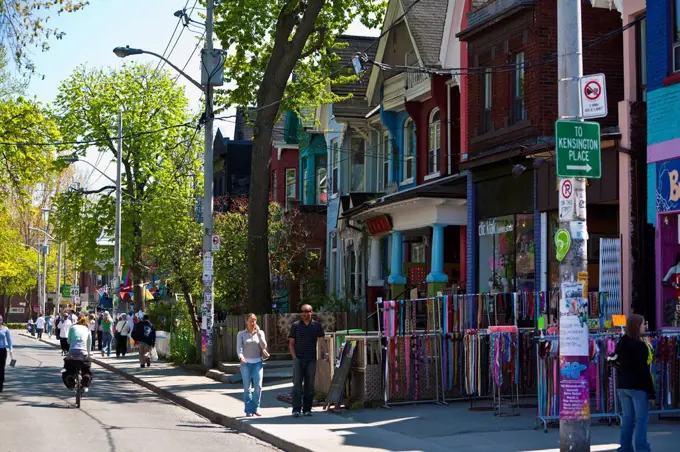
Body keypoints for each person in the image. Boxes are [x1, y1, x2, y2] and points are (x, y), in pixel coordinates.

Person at [615, 314, 654, 452]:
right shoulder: (640, 346)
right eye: (643, 324)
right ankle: (641, 448)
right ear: (637, 326)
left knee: (627, 420)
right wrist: (651, 391)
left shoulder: (621, 343)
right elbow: (643, 371)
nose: (645, 326)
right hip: (637, 387)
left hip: (623, 386)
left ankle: (625, 447)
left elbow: (615, 362)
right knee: (641, 420)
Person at [288, 304, 328, 417]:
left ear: (312, 312)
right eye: (303, 311)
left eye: (308, 311)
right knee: (297, 385)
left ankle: (307, 409)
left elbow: (321, 341)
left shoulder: (316, 325)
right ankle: (296, 409)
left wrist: (326, 353)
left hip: (311, 359)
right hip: (298, 359)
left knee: (309, 385)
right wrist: (294, 357)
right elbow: (291, 343)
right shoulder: (295, 326)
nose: (305, 314)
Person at [237, 313, 268, 417]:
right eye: (250, 320)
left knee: (258, 386)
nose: (252, 322)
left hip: (257, 362)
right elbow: (239, 348)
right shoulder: (241, 334)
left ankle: (256, 407)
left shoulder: (260, 333)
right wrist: (241, 356)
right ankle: (248, 409)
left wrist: (259, 333)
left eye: (254, 320)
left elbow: (264, 345)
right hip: (245, 363)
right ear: (246, 321)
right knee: (247, 387)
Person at [62, 315, 93, 392]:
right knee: (87, 370)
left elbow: (68, 341)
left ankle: (70, 377)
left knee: (68, 368)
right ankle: (86, 377)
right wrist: (88, 354)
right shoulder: (87, 330)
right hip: (83, 353)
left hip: (72, 352)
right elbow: (89, 344)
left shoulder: (72, 328)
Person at [0, 315, 14, 392]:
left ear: (2, 321)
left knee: (1, 369)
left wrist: (11, 348)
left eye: (1, 320)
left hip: (2, 351)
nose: (0, 321)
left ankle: (0, 384)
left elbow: (9, 340)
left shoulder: (5, 329)